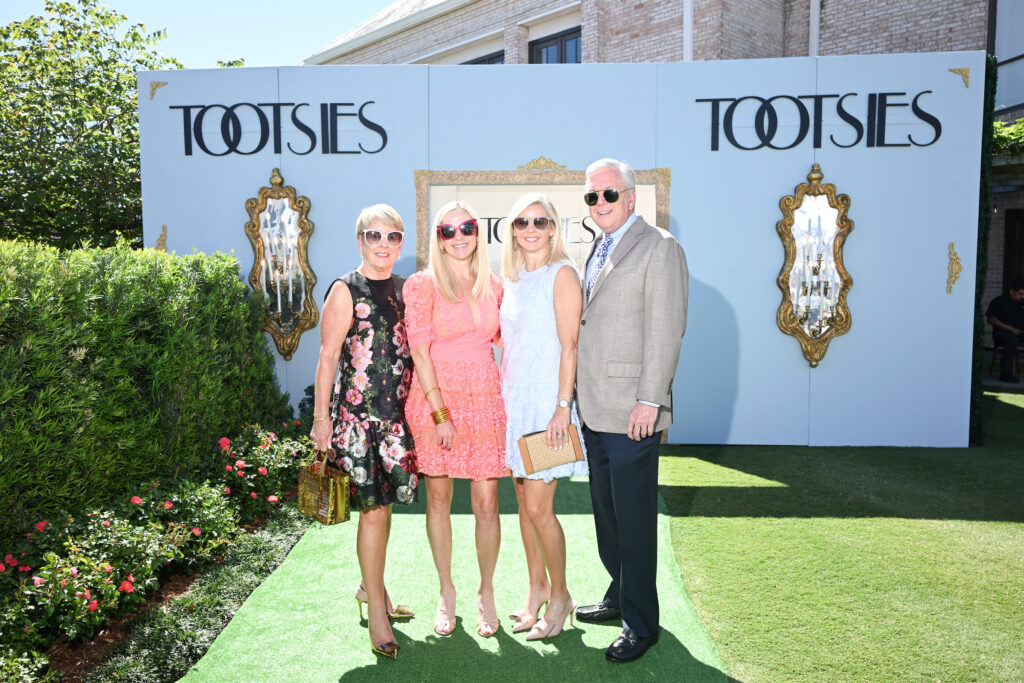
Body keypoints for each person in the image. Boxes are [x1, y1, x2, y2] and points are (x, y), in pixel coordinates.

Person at [574, 158, 688, 663]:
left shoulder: (660, 248)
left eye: (609, 194)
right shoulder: (598, 247)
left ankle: (641, 624)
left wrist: (649, 399)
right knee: (607, 513)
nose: (600, 204)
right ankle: (620, 593)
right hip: (595, 407)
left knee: (636, 519)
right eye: (591, 197)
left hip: (633, 412)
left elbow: (666, 330)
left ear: (632, 197)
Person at [309, 204, 419, 660]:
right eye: (374, 236)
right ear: (359, 241)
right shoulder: (344, 289)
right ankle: (376, 607)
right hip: (358, 422)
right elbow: (327, 360)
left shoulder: (403, 289)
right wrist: (322, 420)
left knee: (384, 508)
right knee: (373, 511)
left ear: (400, 242)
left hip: (395, 421)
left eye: (392, 237)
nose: (383, 244)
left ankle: (369, 585)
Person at [403, 200, 508, 638]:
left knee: (487, 504)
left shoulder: (494, 285)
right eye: (448, 231)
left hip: (485, 399)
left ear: (477, 232)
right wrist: (440, 412)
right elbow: (419, 351)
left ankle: (486, 593)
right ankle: (446, 591)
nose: (459, 236)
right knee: (440, 500)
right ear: (439, 240)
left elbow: (513, 341)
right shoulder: (422, 285)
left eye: (466, 227)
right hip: (436, 401)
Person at [499, 192, 588, 640]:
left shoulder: (563, 274)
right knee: (522, 503)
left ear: (553, 228)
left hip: (547, 407)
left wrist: (562, 408)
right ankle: (535, 589)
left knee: (540, 507)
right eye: (521, 223)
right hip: (514, 402)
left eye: (539, 222)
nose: (530, 230)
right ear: (512, 230)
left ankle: (562, 596)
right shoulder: (511, 279)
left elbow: (570, 347)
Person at [986, 278, 1024, 383]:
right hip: (1002, 334)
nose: (1022, 296)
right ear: (1012, 291)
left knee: (1013, 338)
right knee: (1011, 338)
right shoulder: (999, 301)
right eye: (1020, 294)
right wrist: (1011, 329)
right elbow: (991, 319)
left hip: (1020, 333)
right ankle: (1006, 374)